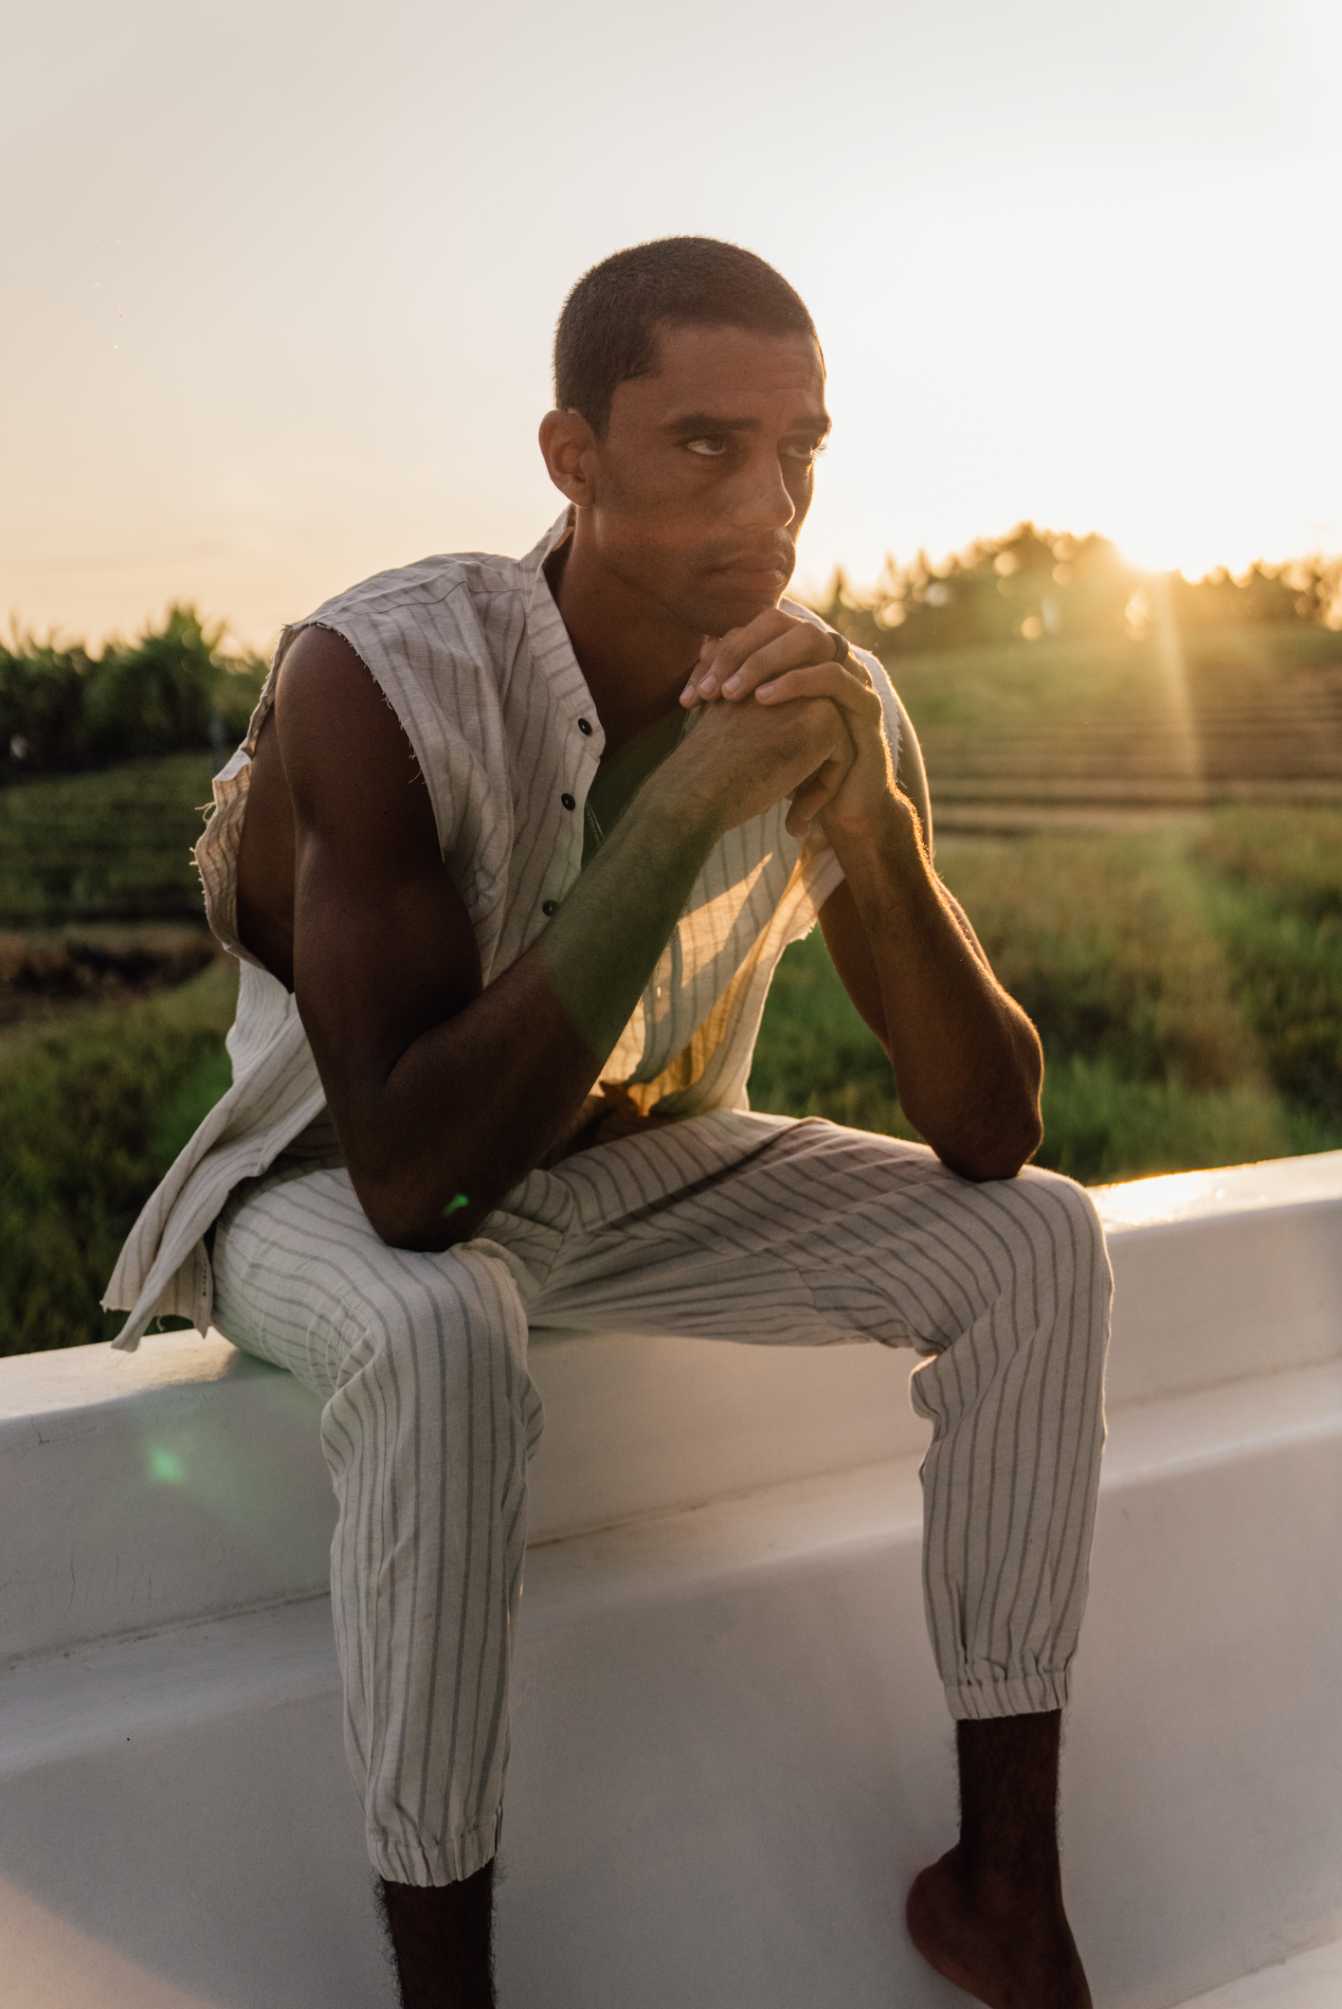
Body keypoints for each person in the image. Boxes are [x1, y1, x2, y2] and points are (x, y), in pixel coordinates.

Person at [101, 235, 1113, 2007]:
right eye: (706, 445)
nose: (773, 502)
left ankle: (1002, 1893)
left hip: (632, 1175)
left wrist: (866, 820)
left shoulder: (829, 694)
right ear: (571, 457)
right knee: (438, 1323)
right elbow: (415, 1182)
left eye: (801, 447)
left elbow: (985, 1129)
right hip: (327, 1190)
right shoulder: (381, 674)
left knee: (1039, 1240)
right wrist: (677, 820)